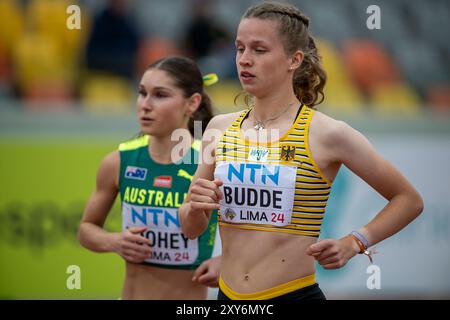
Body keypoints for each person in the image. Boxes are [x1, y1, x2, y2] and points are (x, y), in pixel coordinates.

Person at [179, 2, 423, 300]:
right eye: (240, 48)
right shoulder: (218, 128)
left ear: (294, 59)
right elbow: (191, 228)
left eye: (259, 49)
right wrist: (194, 207)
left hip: (294, 296)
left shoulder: (328, 133)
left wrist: (354, 242)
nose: (244, 59)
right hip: (229, 298)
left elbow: (408, 200)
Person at [78, 56, 221, 299]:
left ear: (192, 103)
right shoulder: (118, 161)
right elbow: (85, 230)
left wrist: (226, 261)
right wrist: (114, 241)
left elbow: (258, 232)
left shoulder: (211, 163)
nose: (145, 104)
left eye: (160, 95)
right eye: (142, 93)